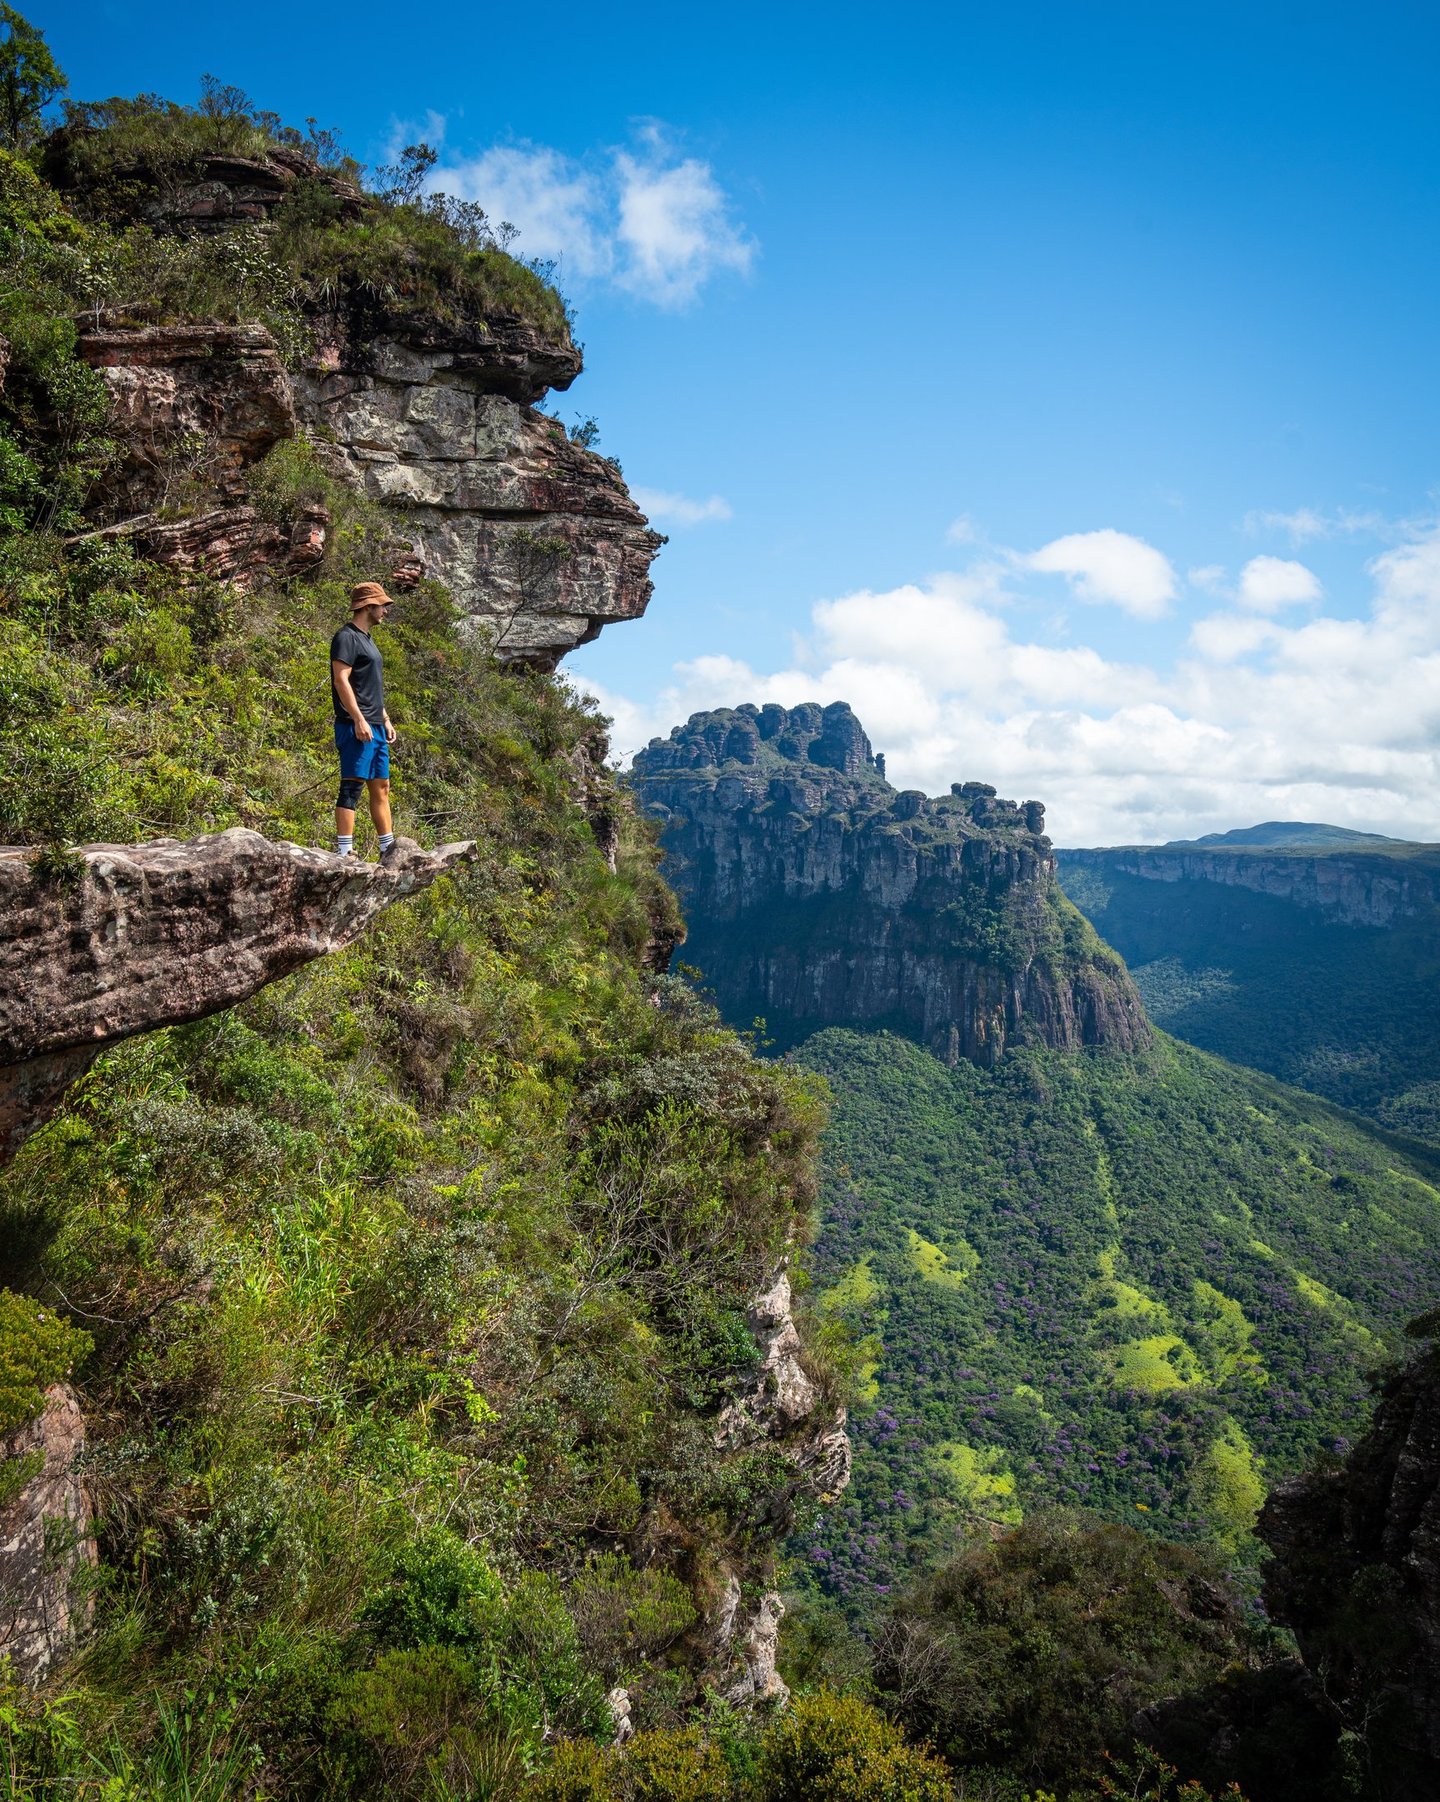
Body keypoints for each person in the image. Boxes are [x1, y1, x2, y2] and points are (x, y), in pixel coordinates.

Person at [331, 581, 399, 857]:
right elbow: (341, 680)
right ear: (368, 606)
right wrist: (358, 718)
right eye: (382, 605)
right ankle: (344, 851)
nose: (385, 610)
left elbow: (368, 686)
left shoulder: (367, 639)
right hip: (355, 725)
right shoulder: (346, 637)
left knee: (381, 786)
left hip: (376, 725)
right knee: (352, 785)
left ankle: (387, 848)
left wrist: (384, 718)